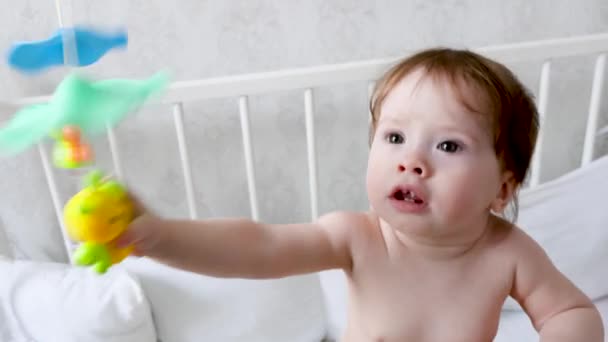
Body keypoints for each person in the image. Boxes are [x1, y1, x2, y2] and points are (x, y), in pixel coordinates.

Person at [117, 48, 604, 341]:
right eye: (394, 137)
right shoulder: (358, 237)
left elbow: (571, 311)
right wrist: (157, 236)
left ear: (502, 188)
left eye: (449, 145)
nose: (412, 161)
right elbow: (259, 247)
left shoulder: (510, 252)